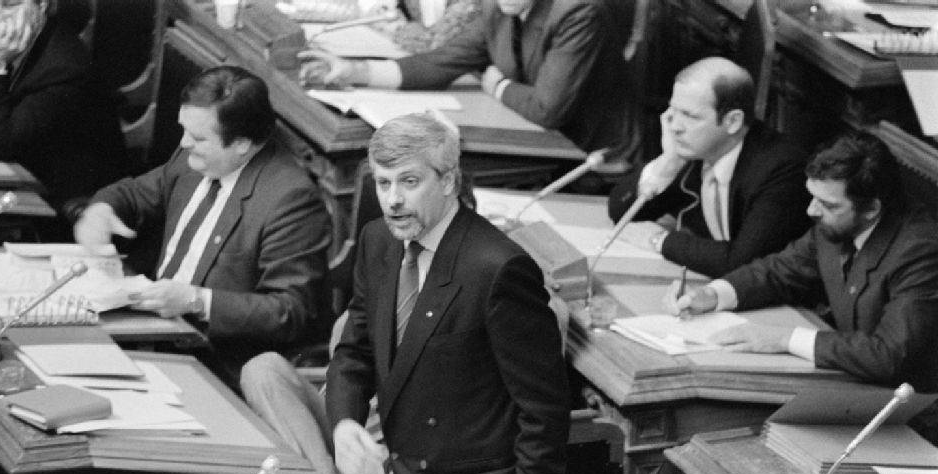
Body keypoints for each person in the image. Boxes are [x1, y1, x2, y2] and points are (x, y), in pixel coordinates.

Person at [323, 112, 570, 474]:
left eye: (409, 182)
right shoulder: (379, 243)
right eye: (383, 182)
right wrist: (344, 424)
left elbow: (543, 412)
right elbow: (354, 352)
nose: (393, 200)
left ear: (449, 179)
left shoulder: (498, 268)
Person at [75, 65, 332, 389]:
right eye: (184, 130)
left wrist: (196, 301)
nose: (183, 143)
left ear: (241, 143)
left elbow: (288, 311)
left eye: (197, 138)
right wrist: (100, 212)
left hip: (214, 365)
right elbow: (133, 194)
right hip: (149, 331)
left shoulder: (290, 199)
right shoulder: (195, 156)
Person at [669, 131, 938, 392]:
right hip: (849, 381)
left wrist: (785, 339)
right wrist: (712, 294)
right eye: (812, 197)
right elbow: (779, 271)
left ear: (871, 209)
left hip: (908, 404)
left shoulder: (920, 252)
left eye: (828, 205)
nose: (811, 210)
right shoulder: (837, 222)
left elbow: (889, 354)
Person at [298, 0, 638, 159]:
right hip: (531, 138)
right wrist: (354, 71)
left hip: (590, 154)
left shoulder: (578, 12)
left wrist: (499, 87)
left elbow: (547, 109)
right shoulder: (497, 8)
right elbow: (440, 62)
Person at [0, 0, 126, 234]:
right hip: (16, 189)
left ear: (42, 5)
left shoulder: (65, 66)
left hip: (61, 217)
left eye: (10, 5)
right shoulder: (10, 40)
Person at [608, 57, 811, 278]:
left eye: (690, 116)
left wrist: (660, 240)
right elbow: (621, 212)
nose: (674, 126)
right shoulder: (695, 150)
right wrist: (669, 161)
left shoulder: (782, 168)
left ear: (733, 121)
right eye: (673, 111)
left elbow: (742, 262)